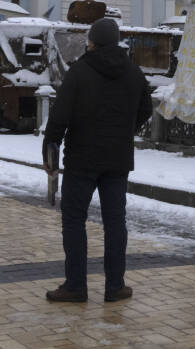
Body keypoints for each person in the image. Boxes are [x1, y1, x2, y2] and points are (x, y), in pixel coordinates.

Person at [43, 17, 152, 303]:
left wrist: (50, 148)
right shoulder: (133, 72)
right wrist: (126, 129)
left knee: (74, 221)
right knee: (115, 223)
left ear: (92, 41)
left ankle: (76, 286)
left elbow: (59, 116)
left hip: (81, 159)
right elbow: (146, 108)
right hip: (117, 161)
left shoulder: (80, 71)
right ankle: (115, 286)